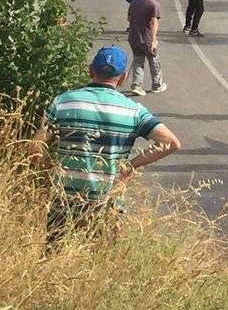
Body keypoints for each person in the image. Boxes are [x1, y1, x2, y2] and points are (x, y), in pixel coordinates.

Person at [29, 46, 181, 245]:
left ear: (90, 70)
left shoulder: (63, 102)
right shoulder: (134, 111)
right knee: (100, 266)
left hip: (64, 201)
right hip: (107, 202)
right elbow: (171, 143)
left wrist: (48, 171)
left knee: (54, 259)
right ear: (123, 78)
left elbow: (34, 148)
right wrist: (129, 168)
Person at [128, 0, 166, 96]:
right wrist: (154, 40)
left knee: (138, 60)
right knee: (154, 61)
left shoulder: (134, 1)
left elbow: (129, 18)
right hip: (146, 38)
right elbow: (154, 22)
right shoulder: (153, 4)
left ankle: (137, 85)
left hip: (134, 37)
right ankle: (157, 85)